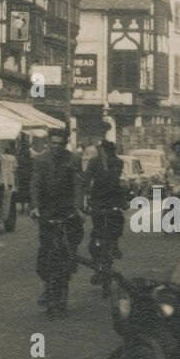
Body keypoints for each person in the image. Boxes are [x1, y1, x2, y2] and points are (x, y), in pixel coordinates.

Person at [31, 126, 84, 311]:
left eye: (60, 144)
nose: (56, 147)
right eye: (53, 143)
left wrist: (78, 208)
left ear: (65, 144)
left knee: (68, 249)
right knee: (45, 251)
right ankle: (47, 286)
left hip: (67, 211)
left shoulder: (73, 159)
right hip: (46, 211)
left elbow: (78, 184)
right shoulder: (40, 160)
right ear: (48, 143)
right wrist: (35, 207)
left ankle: (65, 279)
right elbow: (36, 183)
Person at [83, 128, 127, 283]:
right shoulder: (97, 163)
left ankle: (113, 246)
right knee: (99, 231)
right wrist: (87, 198)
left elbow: (116, 181)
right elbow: (87, 181)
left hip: (110, 199)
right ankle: (100, 261)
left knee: (114, 223)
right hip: (101, 200)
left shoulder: (116, 162)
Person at [0, 143, 18, 225]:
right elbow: (15, 169)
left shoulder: (1, 157)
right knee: (9, 197)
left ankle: (2, 213)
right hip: (10, 178)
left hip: (2, 178)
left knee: (2, 196)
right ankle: (5, 214)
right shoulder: (13, 158)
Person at [15, 138, 33, 216]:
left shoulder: (20, 159)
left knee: (23, 193)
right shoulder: (31, 160)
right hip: (28, 178)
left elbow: (18, 168)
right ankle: (27, 208)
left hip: (23, 178)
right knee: (28, 193)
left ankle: (23, 208)